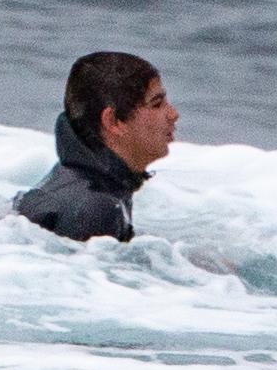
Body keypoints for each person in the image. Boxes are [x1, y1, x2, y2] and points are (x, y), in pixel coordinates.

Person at [11, 48, 177, 242]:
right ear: (113, 121)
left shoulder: (77, 181)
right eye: (156, 104)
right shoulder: (97, 209)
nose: (173, 114)